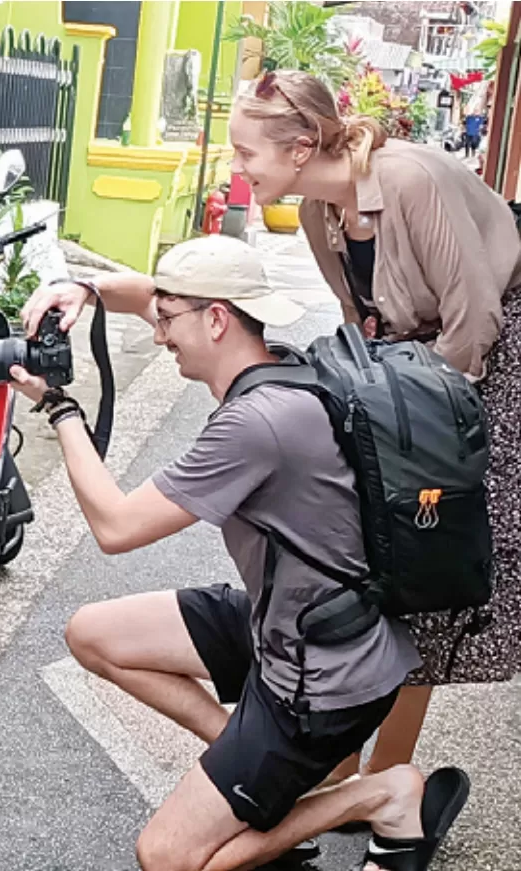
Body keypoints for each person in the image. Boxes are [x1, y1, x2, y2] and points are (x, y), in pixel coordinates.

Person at [13, 236, 469, 871]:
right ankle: (251, 766)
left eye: (170, 323)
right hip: (288, 623)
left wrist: (61, 410)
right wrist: (86, 291)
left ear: (218, 319)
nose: (160, 334)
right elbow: (154, 299)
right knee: (92, 634)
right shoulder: (273, 363)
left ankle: (376, 795)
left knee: (168, 859)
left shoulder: (256, 424)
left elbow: (115, 528)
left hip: (320, 677)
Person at [229, 68, 521, 788]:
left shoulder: (410, 178)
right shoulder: (315, 215)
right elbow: (363, 318)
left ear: (301, 148)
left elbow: (476, 322)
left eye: (245, 153)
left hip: (490, 369)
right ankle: (352, 776)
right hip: (417, 380)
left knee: (436, 565)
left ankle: (386, 783)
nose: (236, 169)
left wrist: (413, 425)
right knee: (383, 562)